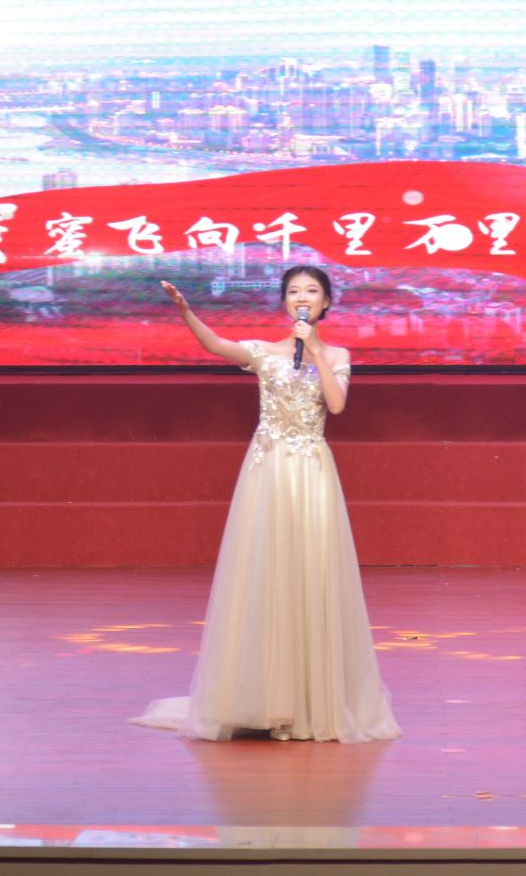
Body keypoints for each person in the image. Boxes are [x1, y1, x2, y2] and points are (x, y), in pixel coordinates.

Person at [132, 266, 400, 743]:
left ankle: (311, 701)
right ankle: (263, 698)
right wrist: (186, 312)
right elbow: (216, 345)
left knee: (311, 574)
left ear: (326, 303)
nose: (302, 297)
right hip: (269, 474)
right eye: (294, 291)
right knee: (266, 575)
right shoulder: (264, 353)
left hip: (312, 475)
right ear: (284, 302)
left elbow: (337, 405)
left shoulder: (336, 354)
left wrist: (314, 351)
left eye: (312, 291)